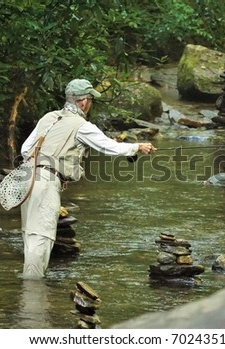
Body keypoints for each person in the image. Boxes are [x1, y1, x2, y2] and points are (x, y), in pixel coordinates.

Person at [19, 78, 156, 279]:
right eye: (91, 100)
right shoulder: (82, 126)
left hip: (27, 180)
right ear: (83, 102)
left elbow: (25, 149)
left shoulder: (49, 117)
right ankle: (32, 295)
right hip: (46, 183)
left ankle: (28, 286)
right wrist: (138, 147)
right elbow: (108, 147)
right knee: (42, 237)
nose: (90, 105)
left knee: (30, 234)